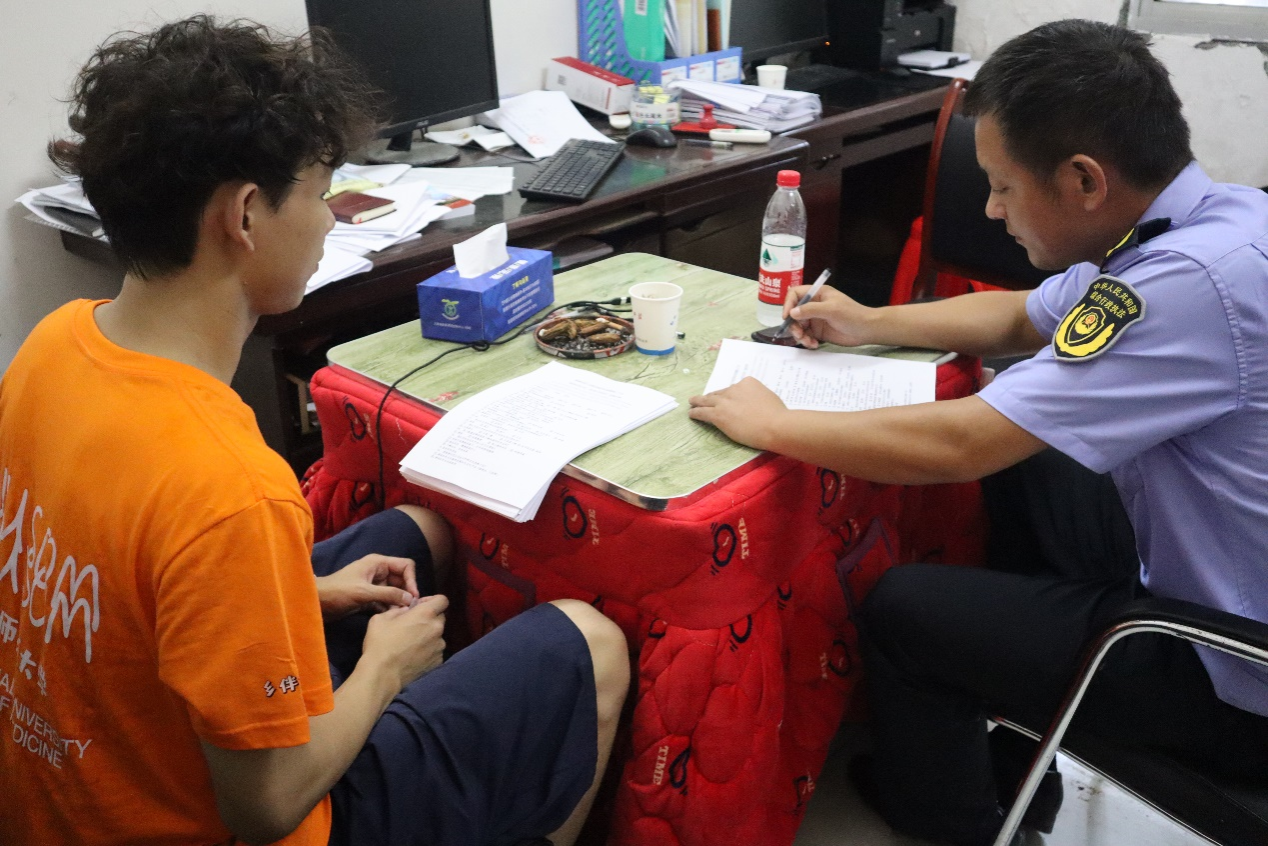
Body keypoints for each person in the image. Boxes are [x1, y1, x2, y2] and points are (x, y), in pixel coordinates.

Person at [0, 16, 628, 846]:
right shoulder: (229, 486)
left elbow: (120, 580)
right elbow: (264, 807)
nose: (330, 220)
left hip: (71, 793)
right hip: (244, 817)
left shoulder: (50, 346)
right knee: (590, 641)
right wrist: (383, 671)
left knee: (422, 531)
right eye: (321, 192)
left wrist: (304, 590)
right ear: (245, 215)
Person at [688, 18, 1268, 846]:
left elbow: (963, 443)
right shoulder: (1210, 222)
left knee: (904, 608)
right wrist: (870, 320)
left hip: (1234, 670)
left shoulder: (1183, 288)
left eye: (1001, 187)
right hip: (1221, 566)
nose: (992, 210)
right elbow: (1023, 317)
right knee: (1033, 462)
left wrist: (777, 422)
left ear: (1083, 180)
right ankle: (1014, 740)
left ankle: (948, 820)